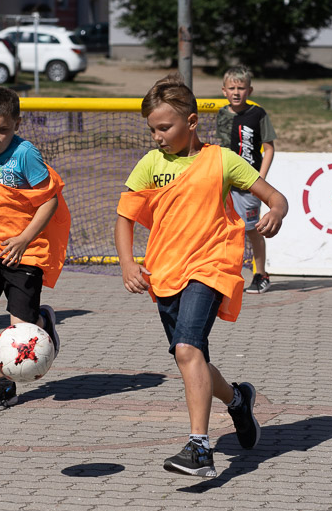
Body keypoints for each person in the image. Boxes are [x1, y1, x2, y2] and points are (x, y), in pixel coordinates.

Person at [115, 73, 289, 478]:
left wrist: (276, 211)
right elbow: (124, 217)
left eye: (165, 127)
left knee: (187, 349)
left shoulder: (222, 160)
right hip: (164, 272)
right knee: (190, 356)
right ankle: (238, 401)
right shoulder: (150, 165)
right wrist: (127, 263)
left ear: (191, 122)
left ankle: (199, 447)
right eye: (152, 129)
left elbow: (274, 196)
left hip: (210, 267)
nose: (157, 136)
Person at [0, 86, 71, 412]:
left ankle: (40, 322)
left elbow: (49, 201)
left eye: (3, 130)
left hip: (26, 249)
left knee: (20, 331)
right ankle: (3, 384)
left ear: (17, 124)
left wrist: (23, 239)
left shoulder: (26, 155)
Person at [215, 65, 277, 294]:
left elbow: (269, 149)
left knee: (252, 229)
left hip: (249, 184)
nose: (236, 92)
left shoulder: (257, 114)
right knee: (225, 230)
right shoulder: (222, 114)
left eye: (241, 88)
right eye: (232, 88)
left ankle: (261, 273)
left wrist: (259, 180)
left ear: (249, 90)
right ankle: (227, 273)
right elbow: (219, 148)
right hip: (226, 183)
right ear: (224, 90)